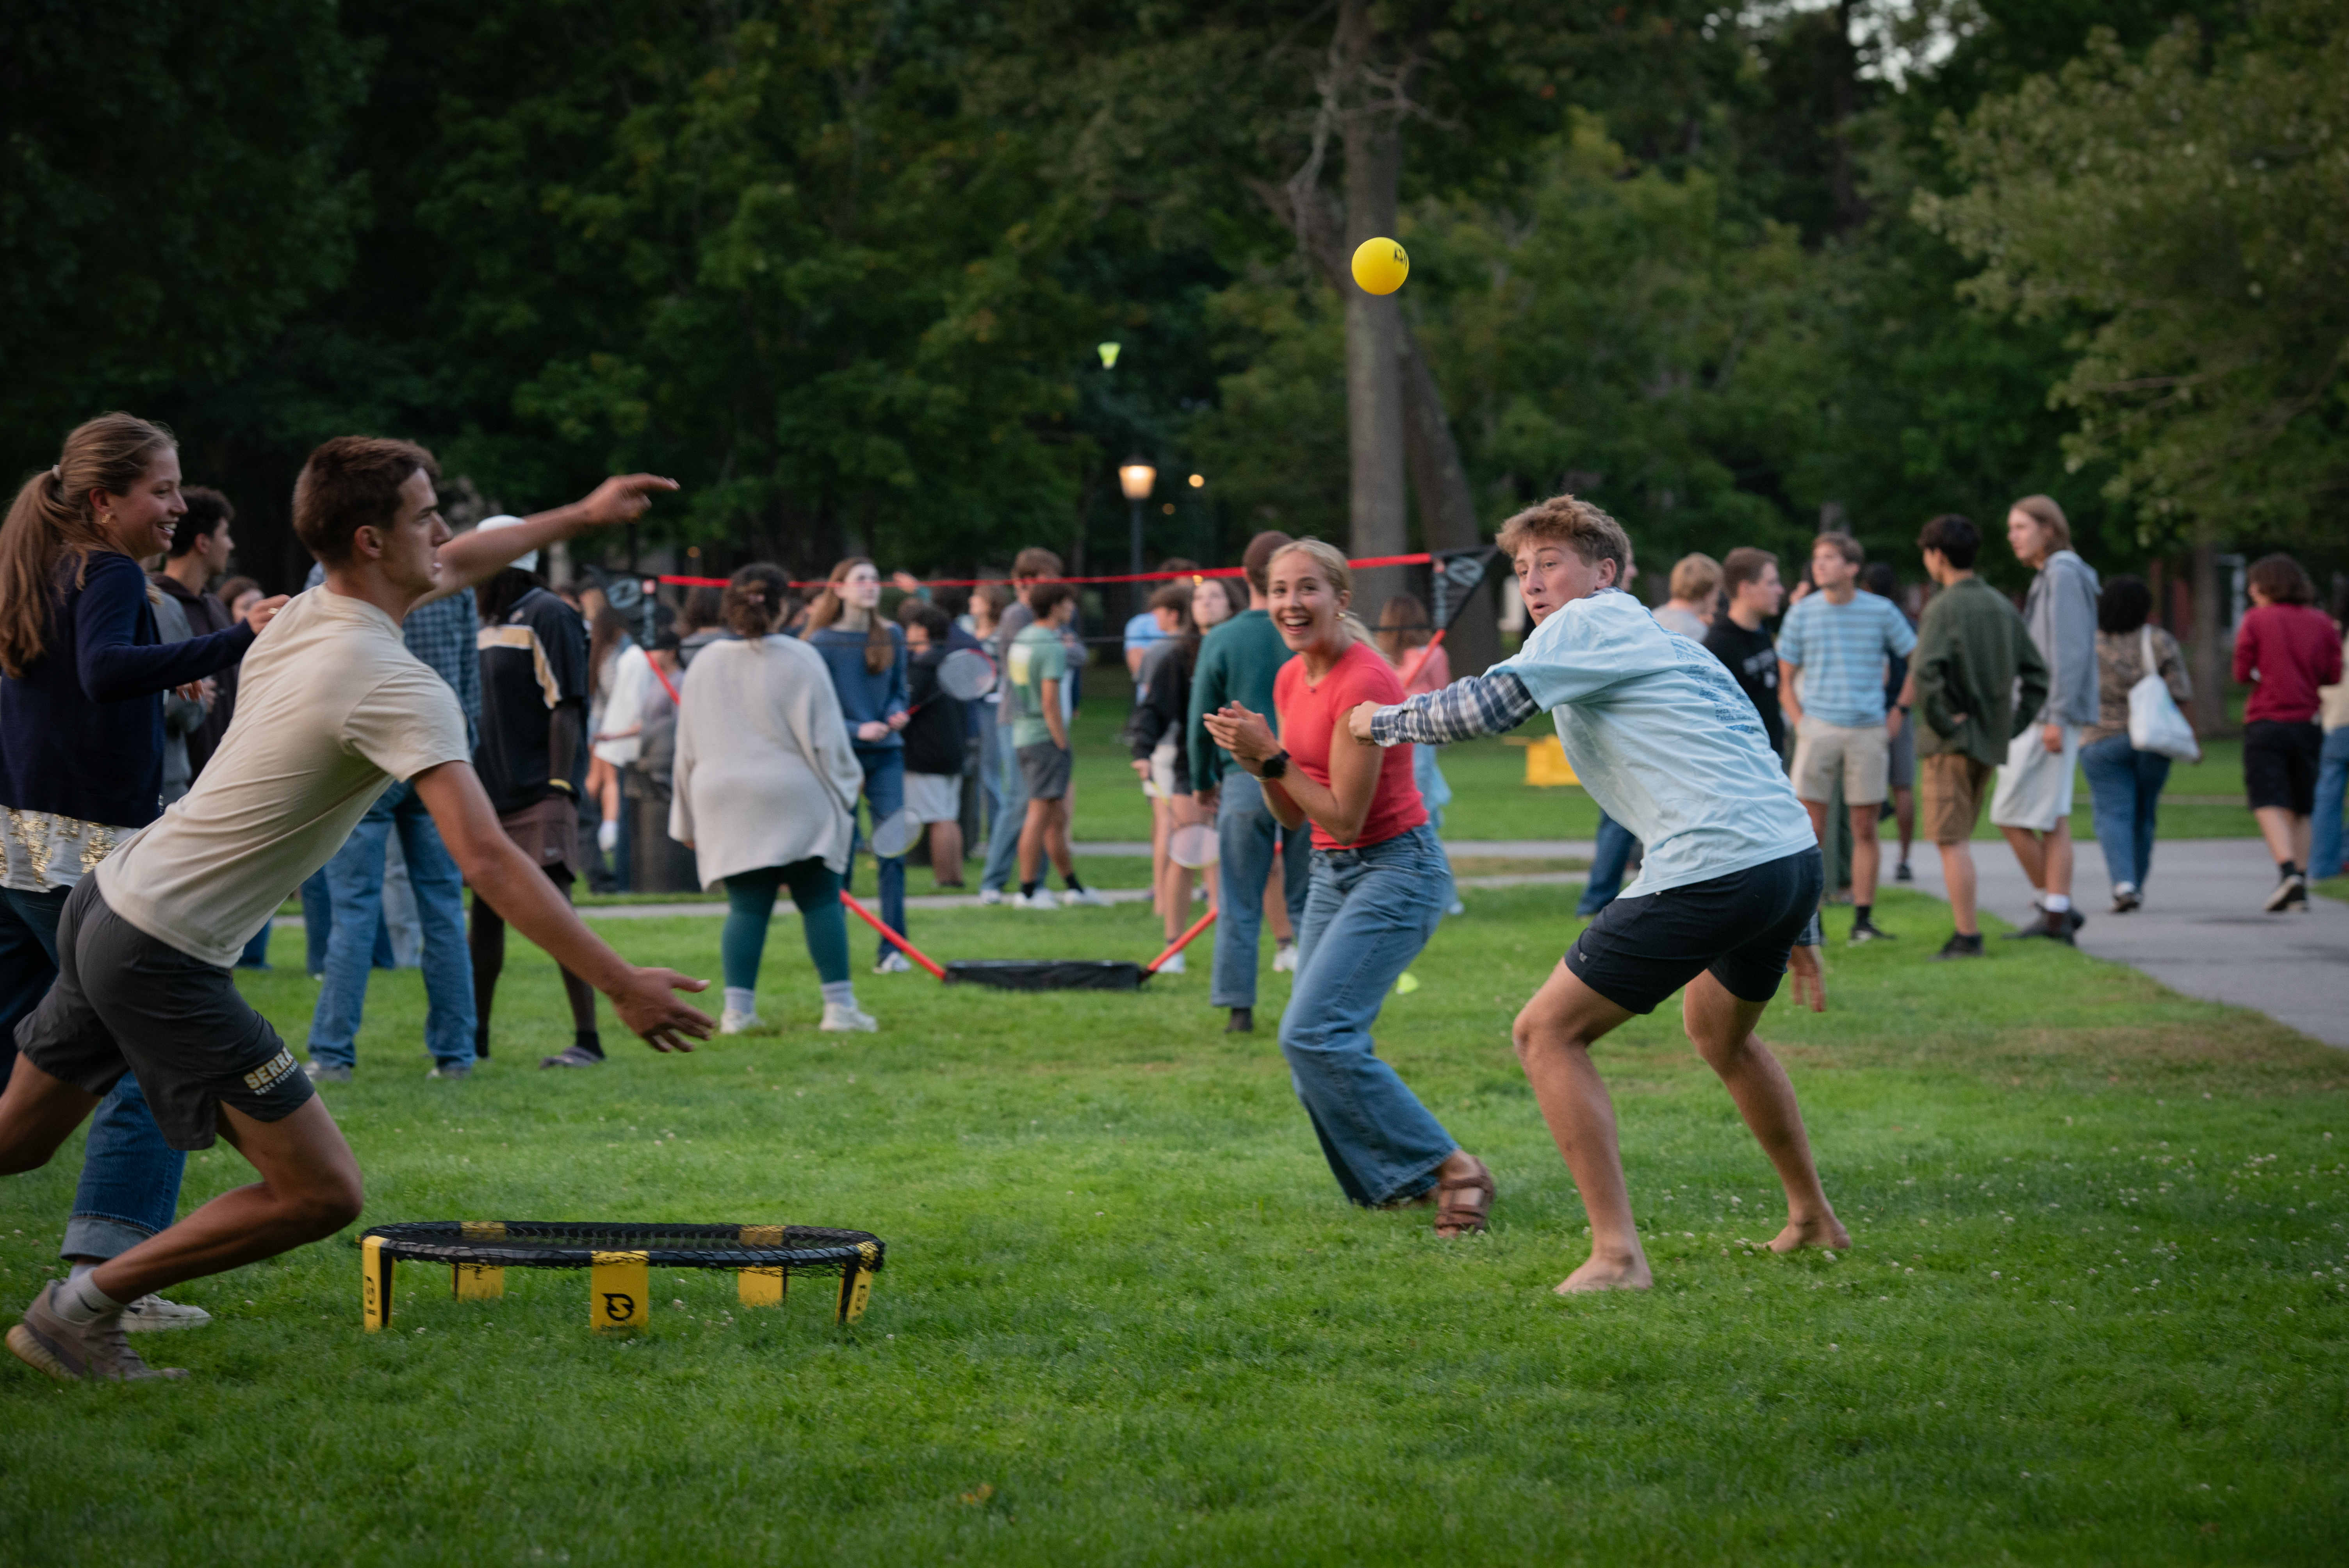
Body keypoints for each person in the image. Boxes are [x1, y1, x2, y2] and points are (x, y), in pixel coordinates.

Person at [0, 434, 708, 1383]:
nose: (445, 534)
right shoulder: (392, 682)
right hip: (161, 947)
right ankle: (75, 1315)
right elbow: (488, 859)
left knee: (18, 1138)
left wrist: (580, 514)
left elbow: (456, 561)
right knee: (320, 1190)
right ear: (372, 540)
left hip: (110, 898)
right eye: (426, 515)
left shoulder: (304, 615)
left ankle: (77, 1310)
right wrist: (619, 983)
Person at [1353, 494, 1840, 1293]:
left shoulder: (1586, 624)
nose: (1534, 583)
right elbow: (1748, 755)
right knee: (1720, 1035)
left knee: (1545, 1033)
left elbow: (1481, 707)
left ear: (1604, 572)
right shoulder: (1673, 642)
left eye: (1551, 563)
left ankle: (1617, 1256)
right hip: (1783, 860)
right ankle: (1812, 1217)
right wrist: (1801, 918)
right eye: (1522, 570)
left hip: (1717, 863)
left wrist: (1378, 720)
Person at [0, 414, 287, 1337]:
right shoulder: (109, 567)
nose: (177, 506)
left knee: (25, 1055)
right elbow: (103, 672)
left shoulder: (42, 562)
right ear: (104, 501)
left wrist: (172, 680)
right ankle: (109, 1268)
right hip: (76, 851)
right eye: (161, 490)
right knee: (142, 1054)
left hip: (15, 843)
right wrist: (236, 638)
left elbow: (68, 691)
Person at [1204, 540, 1494, 1233]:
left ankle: (1455, 1167)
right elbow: (1296, 816)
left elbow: (1347, 814)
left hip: (1397, 867)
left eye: (1307, 589)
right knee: (1315, 1041)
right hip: (1335, 870)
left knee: (1313, 1033)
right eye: (1279, 590)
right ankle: (1395, 1182)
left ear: (1340, 598)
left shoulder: (1364, 682)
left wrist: (1271, 757)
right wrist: (1260, 764)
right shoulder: (1288, 678)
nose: (1290, 604)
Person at [298, 526, 485, 1082]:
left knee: (352, 911)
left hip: (365, 757)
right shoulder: (450, 579)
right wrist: (466, 744)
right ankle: (455, 1054)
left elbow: (317, 671)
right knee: (444, 907)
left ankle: (332, 1053)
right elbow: (468, 676)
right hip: (437, 752)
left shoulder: (329, 575)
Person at [672, 564, 875, 1034]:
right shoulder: (801, 658)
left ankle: (736, 1012)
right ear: (783, 604)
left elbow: (687, 747)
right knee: (821, 898)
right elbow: (826, 741)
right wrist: (848, 787)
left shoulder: (703, 662)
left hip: (721, 796)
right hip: (794, 793)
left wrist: (685, 822)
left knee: (746, 907)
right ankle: (840, 1008)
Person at [469, 518, 602, 1067]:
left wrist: (558, 785)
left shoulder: (550, 613)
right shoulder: (480, 619)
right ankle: (473, 1041)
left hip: (540, 791)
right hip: (487, 792)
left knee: (557, 914)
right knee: (485, 919)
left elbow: (567, 702)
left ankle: (588, 1040)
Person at [1900, 514, 2049, 959]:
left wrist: (1946, 723)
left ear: (1937, 556)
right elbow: (2037, 676)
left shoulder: (1942, 607)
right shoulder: (2001, 605)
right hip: (1987, 741)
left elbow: (1924, 673)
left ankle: (1968, 935)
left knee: (1951, 841)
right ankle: (1970, 931)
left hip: (1951, 745)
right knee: (1959, 837)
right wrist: (2010, 725)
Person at [1189, 534, 1312, 1032]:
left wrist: (1202, 781)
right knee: (1310, 897)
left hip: (1242, 781)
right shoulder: (1309, 633)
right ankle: (1311, 1001)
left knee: (1239, 897)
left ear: (1243, 579)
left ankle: (1238, 1007)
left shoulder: (1221, 639)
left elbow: (1202, 715)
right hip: (1307, 780)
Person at [1777, 531, 1917, 944]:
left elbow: (1918, 660)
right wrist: (1800, 720)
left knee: (1865, 826)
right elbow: (1785, 676)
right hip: (1817, 726)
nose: (1819, 565)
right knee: (1810, 828)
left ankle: (1863, 919)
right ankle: (1809, 920)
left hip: (1867, 729)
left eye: (1830, 558)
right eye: (1817, 558)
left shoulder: (1881, 611)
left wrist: (1900, 711)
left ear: (1852, 567)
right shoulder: (1802, 612)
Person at [1990, 495, 2099, 941]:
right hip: (2040, 712)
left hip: (2047, 715)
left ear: (2049, 529)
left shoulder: (2062, 574)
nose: (2012, 536)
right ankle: (2056, 908)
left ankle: (2056, 910)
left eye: (2021, 527)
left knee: (2017, 812)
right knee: (2041, 815)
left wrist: (2055, 715)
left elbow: (2068, 652)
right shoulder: (2053, 575)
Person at [804, 558, 916, 968]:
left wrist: (895, 713)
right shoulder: (820, 642)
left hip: (887, 754)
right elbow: (815, 708)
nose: (870, 586)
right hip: (841, 755)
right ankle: (838, 952)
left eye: (874, 579)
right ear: (840, 589)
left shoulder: (892, 634)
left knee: (893, 851)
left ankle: (893, 950)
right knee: (842, 857)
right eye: (861, 580)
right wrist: (855, 729)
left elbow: (898, 689)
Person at [2234, 552, 2341, 911]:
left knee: (2267, 799)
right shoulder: (2323, 623)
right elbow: (2333, 675)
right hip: (2309, 722)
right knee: (2302, 805)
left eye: (2254, 584)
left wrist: (2264, 674)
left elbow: (2240, 671)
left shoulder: (2256, 620)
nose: (2250, 591)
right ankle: (2302, 884)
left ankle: (2287, 872)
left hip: (2266, 720)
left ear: (2267, 586)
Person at [2078, 576, 2192, 912]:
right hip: (2153, 739)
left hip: (2101, 739)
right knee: (2144, 813)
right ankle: (2137, 885)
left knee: (2113, 814)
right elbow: (2182, 692)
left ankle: (2123, 884)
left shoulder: (2088, 643)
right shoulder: (2159, 641)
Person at [978, 550, 1079, 902]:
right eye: (1049, 579)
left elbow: (1077, 654)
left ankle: (1039, 882)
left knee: (1047, 805)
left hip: (1032, 722)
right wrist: (1060, 740)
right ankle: (998, 883)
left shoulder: (1044, 627)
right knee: (1024, 802)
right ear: (1030, 580)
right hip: (1025, 722)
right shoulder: (1021, 620)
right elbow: (1045, 671)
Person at [1006, 583, 1106, 909]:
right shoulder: (1050, 645)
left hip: (1023, 735)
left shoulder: (1022, 639)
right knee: (1038, 814)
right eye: (1068, 603)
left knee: (1056, 816)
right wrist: (1062, 742)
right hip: (1044, 739)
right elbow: (1050, 701)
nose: (1072, 609)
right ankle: (1028, 891)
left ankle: (1073, 888)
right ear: (1055, 606)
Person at [1128, 582, 1210, 963]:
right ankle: (1171, 934)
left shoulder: (1235, 646)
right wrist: (1143, 749)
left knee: (1219, 855)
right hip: (1185, 763)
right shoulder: (1174, 655)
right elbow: (1152, 708)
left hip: (1237, 767)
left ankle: (1267, 940)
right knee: (1187, 844)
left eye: (1216, 596)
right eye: (1201, 598)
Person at [1378, 593, 1463, 918]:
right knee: (1420, 821)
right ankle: (1441, 897)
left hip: (1404, 740)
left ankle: (1440, 896)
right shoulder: (1425, 656)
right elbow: (1446, 696)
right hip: (1413, 742)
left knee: (1417, 820)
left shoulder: (1400, 658)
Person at [152, 486, 239, 778]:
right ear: (203, 542)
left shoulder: (216, 608)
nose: (231, 545)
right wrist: (184, 698)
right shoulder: (154, 606)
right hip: (175, 789)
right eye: (225, 534)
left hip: (224, 781)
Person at [899, 599, 970, 889]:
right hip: (953, 752)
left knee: (938, 819)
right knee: (948, 816)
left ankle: (945, 880)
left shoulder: (922, 668)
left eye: (912, 628)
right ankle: (955, 877)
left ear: (922, 632)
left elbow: (904, 710)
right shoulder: (950, 665)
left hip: (927, 755)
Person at [1860, 562, 1918, 884]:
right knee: (1903, 786)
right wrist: (1903, 709)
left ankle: (1862, 855)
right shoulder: (1907, 622)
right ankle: (1905, 858)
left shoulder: (1869, 618)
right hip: (1900, 709)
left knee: (1862, 795)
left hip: (1871, 712)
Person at [1702, 547, 1787, 760]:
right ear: (1746, 589)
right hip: (1742, 762)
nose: (1780, 590)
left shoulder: (1761, 629)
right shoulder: (1718, 645)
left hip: (1772, 754)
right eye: (1771, 583)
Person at [587, 605, 650, 890]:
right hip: (611, 724)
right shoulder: (618, 655)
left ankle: (589, 828)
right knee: (610, 781)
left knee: (596, 780)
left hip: (597, 720)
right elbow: (618, 693)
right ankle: (606, 830)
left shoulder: (595, 650)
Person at [2312, 587, 2349, 885]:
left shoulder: (2329, 631)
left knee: (2328, 797)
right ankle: (2346, 854)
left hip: (2334, 722)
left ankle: (2323, 864)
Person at [1124, 558, 1199, 678]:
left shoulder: (1200, 623)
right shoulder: (1140, 625)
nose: (1194, 587)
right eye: (1187, 583)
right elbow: (1143, 673)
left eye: (1196, 580)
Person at [1654, 552, 1720, 640]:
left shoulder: (1653, 617)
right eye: (1716, 592)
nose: (1718, 598)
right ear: (1707, 595)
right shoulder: (1696, 631)